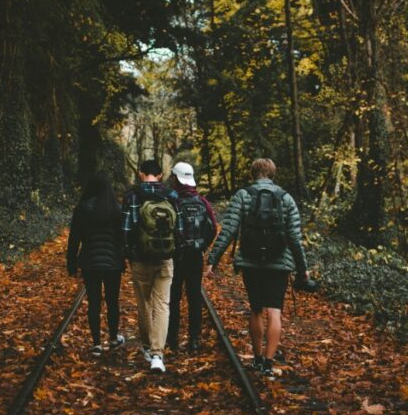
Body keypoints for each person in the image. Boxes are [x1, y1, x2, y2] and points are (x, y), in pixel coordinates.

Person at [206, 158, 311, 377]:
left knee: (255, 308)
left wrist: (212, 260)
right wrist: (302, 269)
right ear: (273, 174)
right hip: (279, 263)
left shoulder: (243, 195)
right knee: (274, 310)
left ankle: (257, 357)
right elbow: (294, 237)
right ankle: (268, 363)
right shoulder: (286, 198)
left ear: (253, 173)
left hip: (251, 261)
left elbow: (229, 229)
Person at [122, 159, 183, 373]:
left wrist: (129, 255)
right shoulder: (172, 195)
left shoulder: (132, 195)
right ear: (160, 175)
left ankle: (148, 348)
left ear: (140, 174)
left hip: (140, 259)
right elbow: (180, 230)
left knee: (144, 305)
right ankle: (158, 355)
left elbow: (126, 230)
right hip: (165, 259)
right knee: (162, 305)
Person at [66, 172, 127, 356]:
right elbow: (122, 238)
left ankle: (96, 343)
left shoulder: (82, 209)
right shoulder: (117, 209)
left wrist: (71, 262)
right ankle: (114, 338)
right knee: (112, 301)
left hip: (90, 262)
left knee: (94, 302)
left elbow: (74, 238)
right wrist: (124, 258)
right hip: (113, 263)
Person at [166, 162, 217, 354]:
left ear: (175, 179)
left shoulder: (172, 201)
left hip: (175, 257)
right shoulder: (202, 202)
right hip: (195, 256)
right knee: (194, 298)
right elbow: (212, 227)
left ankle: (172, 340)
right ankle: (194, 340)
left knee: (173, 297)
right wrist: (202, 246)